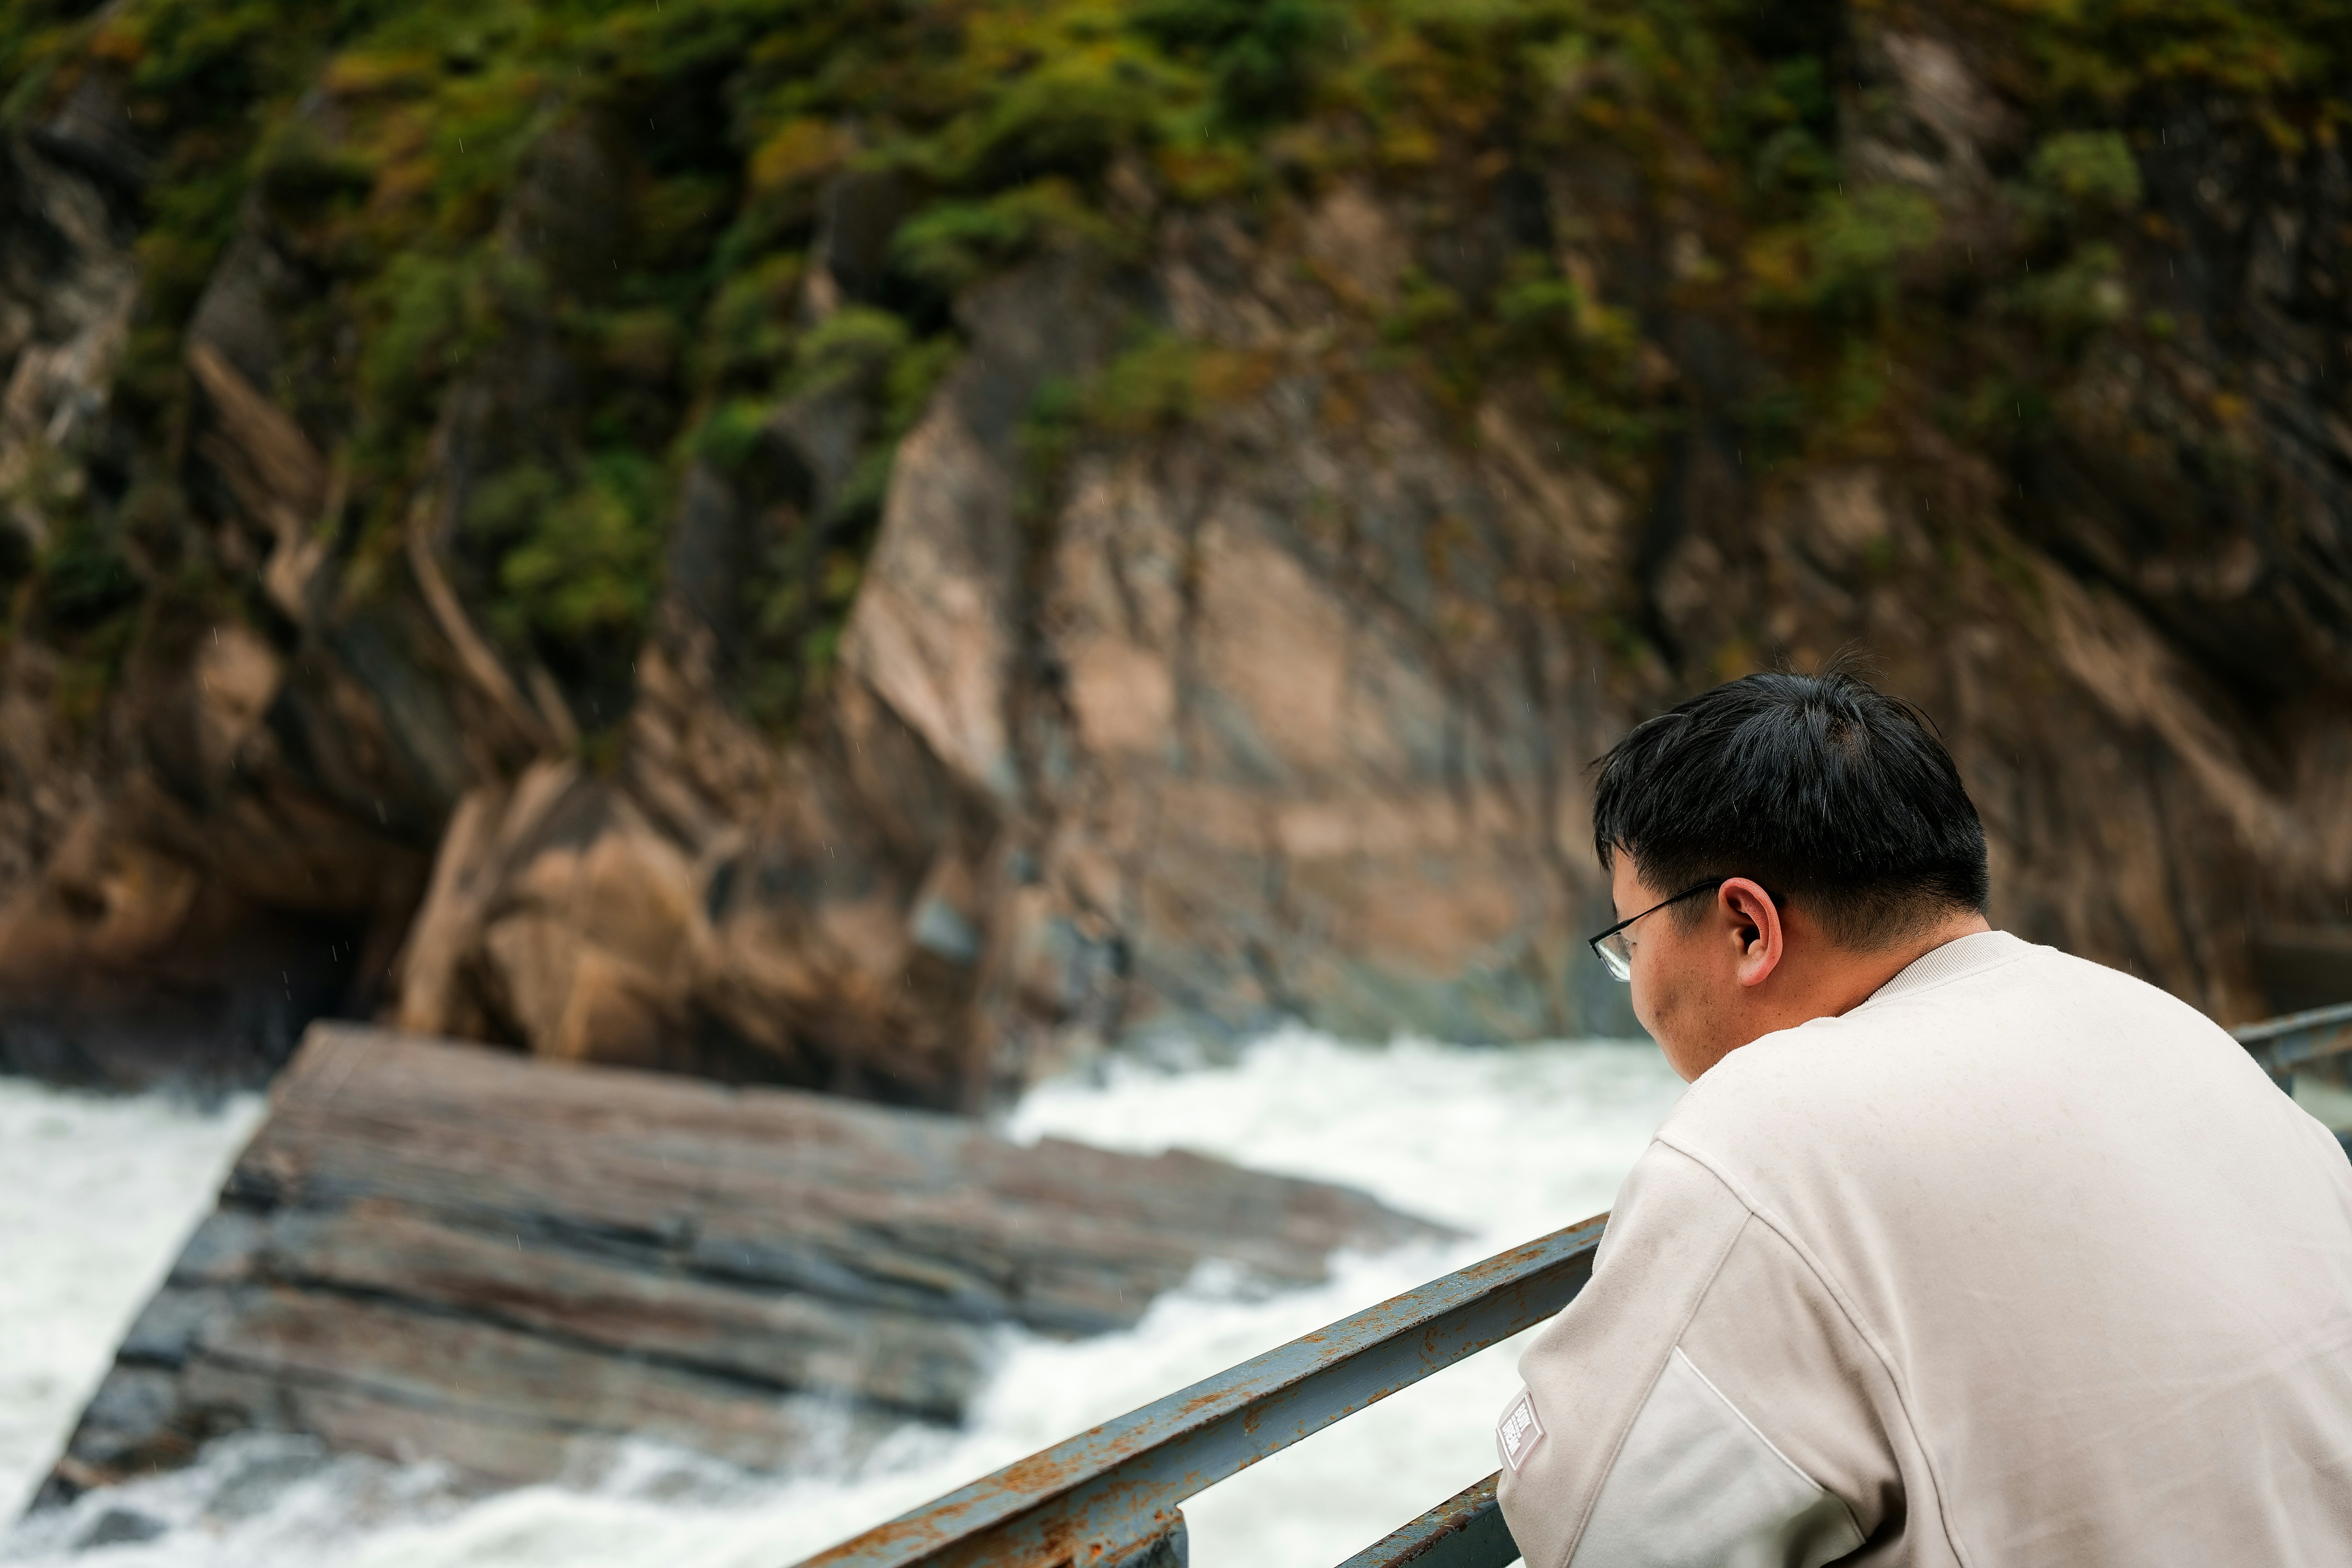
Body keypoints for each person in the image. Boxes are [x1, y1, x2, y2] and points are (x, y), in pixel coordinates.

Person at [1494, 667, 2352, 1567]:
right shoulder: (2180, 1032)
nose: (1640, 992)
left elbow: (1594, 1524)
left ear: (1748, 927)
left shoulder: (1767, 1128)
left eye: (1634, 942)